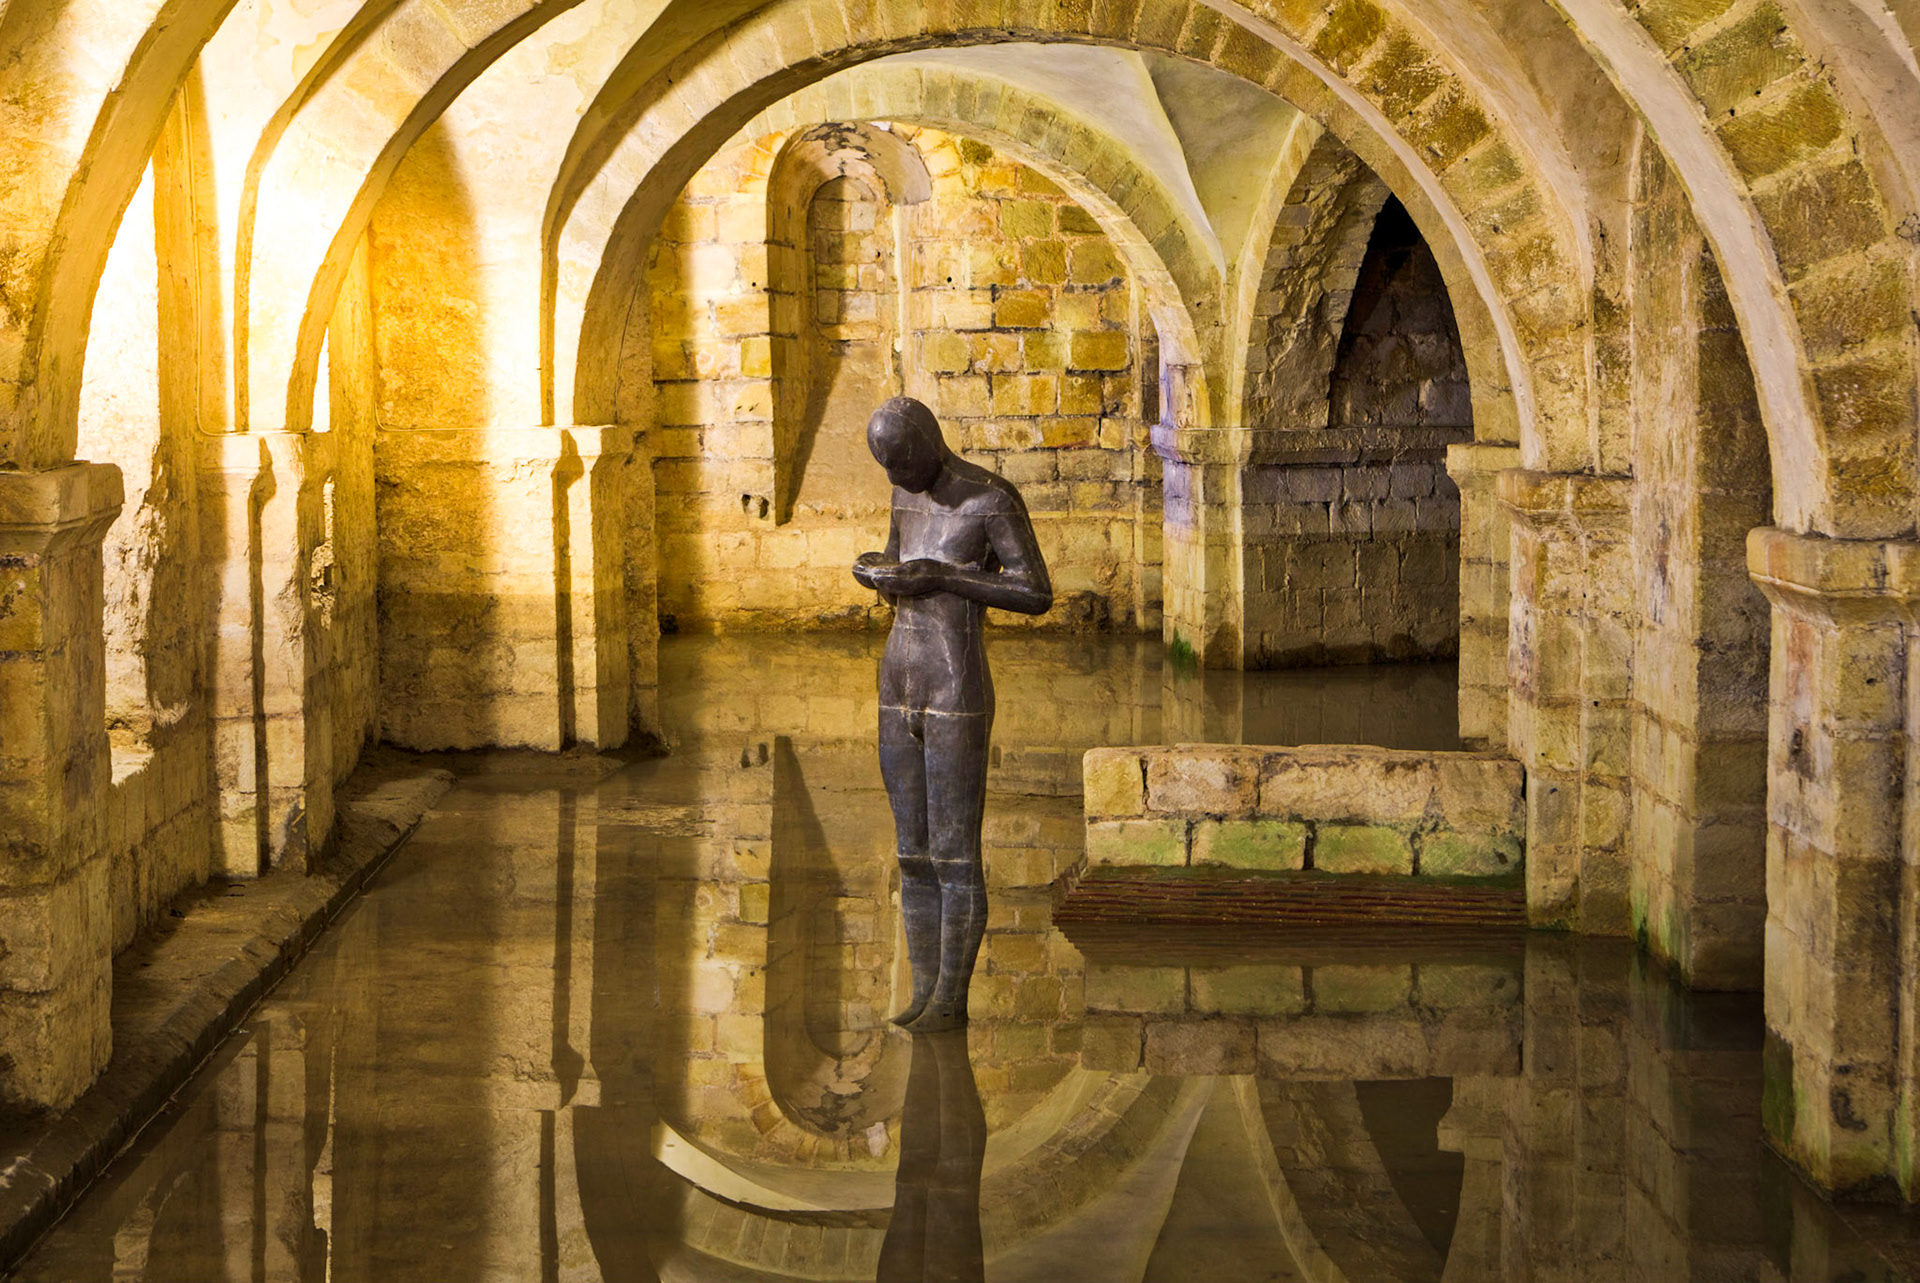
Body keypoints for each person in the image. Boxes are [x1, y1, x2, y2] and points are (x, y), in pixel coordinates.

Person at [852, 396, 1052, 1031]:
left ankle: (951, 1000)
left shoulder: (990, 498)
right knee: (911, 852)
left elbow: (1035, 592)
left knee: (954, 853)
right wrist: (880, 574)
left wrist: (946, 575)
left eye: (902, 464)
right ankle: (922, 989)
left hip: (955, 685)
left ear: (930, 445)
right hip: (897, 678)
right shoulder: (903, 496)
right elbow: (897, 566)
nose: (895, 479)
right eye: (885, 468)